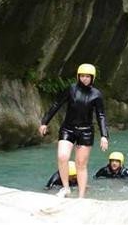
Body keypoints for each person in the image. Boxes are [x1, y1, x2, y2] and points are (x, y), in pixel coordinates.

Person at [39, 63, 109, 198]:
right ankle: (66, 188)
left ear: (92, 78)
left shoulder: (97, 95)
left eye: (88, 76)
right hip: (68, 128)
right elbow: (56, 105)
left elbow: (101, 115)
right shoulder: (71, 89)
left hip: (86, 131)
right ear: (78, 76)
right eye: (82, 76)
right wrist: (44, 122)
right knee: (62, 156)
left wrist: (104, 135)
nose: (85, 79)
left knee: (81, 164)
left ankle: (81, 196)